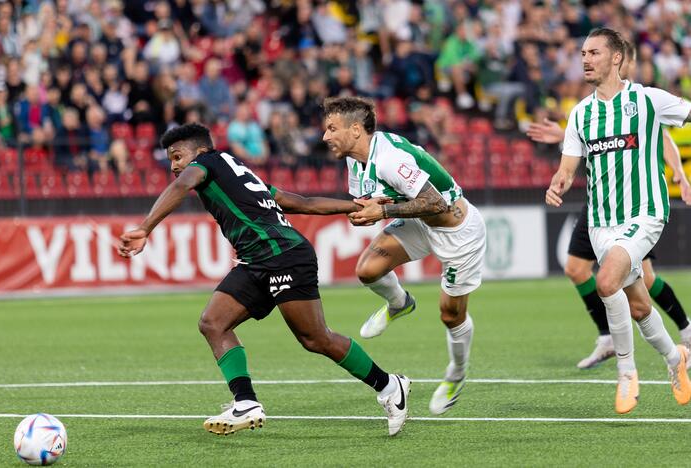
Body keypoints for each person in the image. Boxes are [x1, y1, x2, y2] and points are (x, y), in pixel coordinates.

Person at [116, 123, 410, 437]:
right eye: (171, 160)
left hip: (283, 254)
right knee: (213, 323)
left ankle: (390, 386)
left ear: (199, 151)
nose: (174, 165)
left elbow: (180, 186)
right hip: (257, 260)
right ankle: (245, 402)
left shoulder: (207, 163)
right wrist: (352, 205)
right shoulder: (235, 169)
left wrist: (145, 227)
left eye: (178, 156)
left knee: (315, 339)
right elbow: (298, 202)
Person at [271, 96, 486, 416]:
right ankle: (400, 303)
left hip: (458, 232)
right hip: (420, 222)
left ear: (356, 130)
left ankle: (456, 374)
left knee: (450, 316)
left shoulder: (387, 159)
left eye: (332, 129)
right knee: (368, 270)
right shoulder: (356, 157)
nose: (324, 137)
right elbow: (365, 200)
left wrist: (383, 210)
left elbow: (437, 203)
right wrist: (366, 211)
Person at [545, 28, 691, 414]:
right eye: (582, 53)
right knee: (639, 307)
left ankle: (627, 373)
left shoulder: (647, 100)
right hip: (600, 223)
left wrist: (679, 174)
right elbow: (567, 169)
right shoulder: (581, 113)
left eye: (593, 52)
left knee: (606, 281)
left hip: (644, 214)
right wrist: (558, 184)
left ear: (615, 58)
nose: (585, 59)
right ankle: (676, 359)